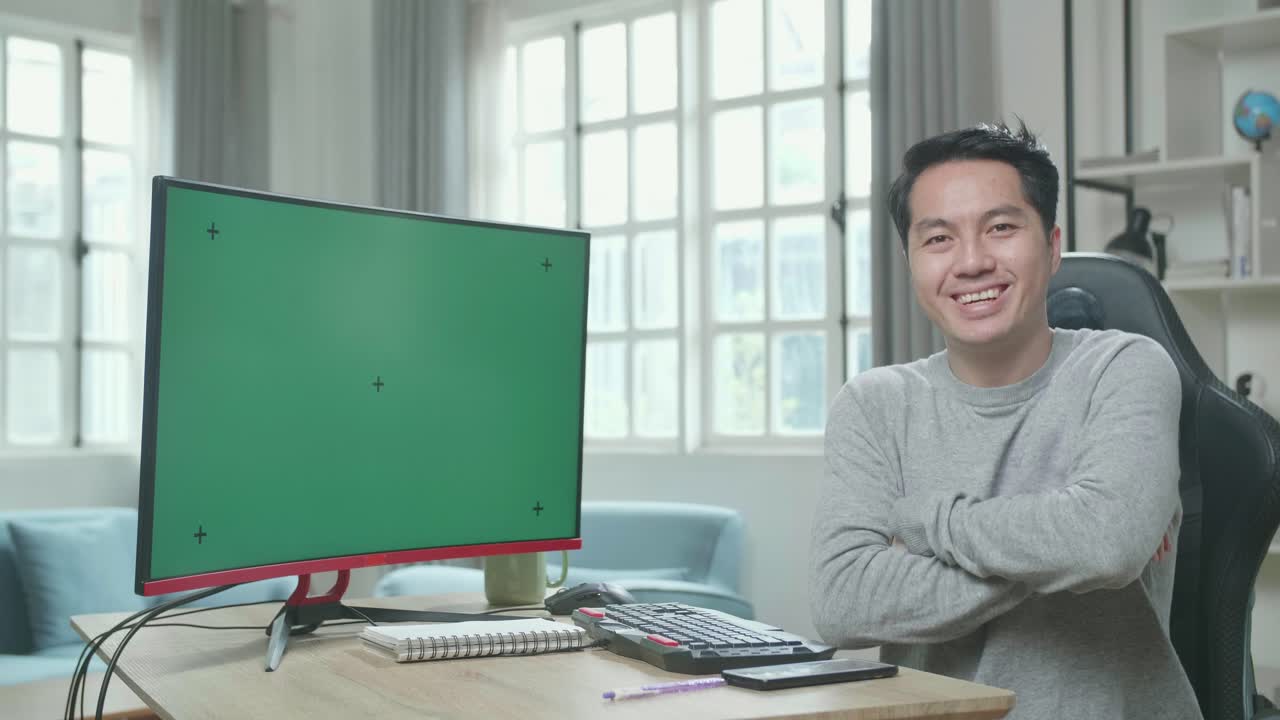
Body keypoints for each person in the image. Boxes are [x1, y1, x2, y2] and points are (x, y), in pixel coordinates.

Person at [809, 121, 1201, 719]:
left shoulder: (1124, 368)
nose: (971, 262)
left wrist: (922, 522)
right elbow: (842, 603)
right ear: (911, 262)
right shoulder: (874, 405)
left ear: (1052, 245)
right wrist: (1069, 546)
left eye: (1000, 228)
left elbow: (1107, 542)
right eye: (938, 238)